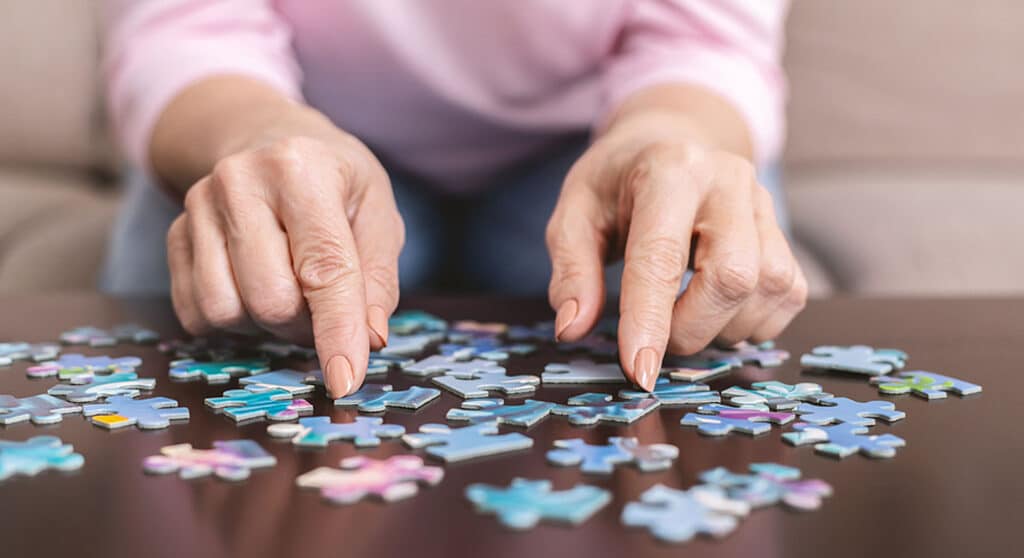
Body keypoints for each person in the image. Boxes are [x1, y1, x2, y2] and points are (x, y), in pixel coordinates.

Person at [101, 1, 807, 397]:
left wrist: (669, 134)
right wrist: (255, 134)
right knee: (200, 327)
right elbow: (184, 26)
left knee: (700, 311)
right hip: (283, 124)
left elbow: (703, 39)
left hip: (599, 143)